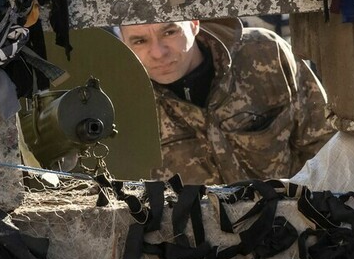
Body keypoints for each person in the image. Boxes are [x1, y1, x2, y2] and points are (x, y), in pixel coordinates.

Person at [118, 18, 334, 185]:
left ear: (194, 24)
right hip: (189, 240)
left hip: (289, 227)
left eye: (170, 31)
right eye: (139, 41)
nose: (158, 53)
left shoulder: (265, 53)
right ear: (123, 43)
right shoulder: (121, 105)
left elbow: (327, 150)